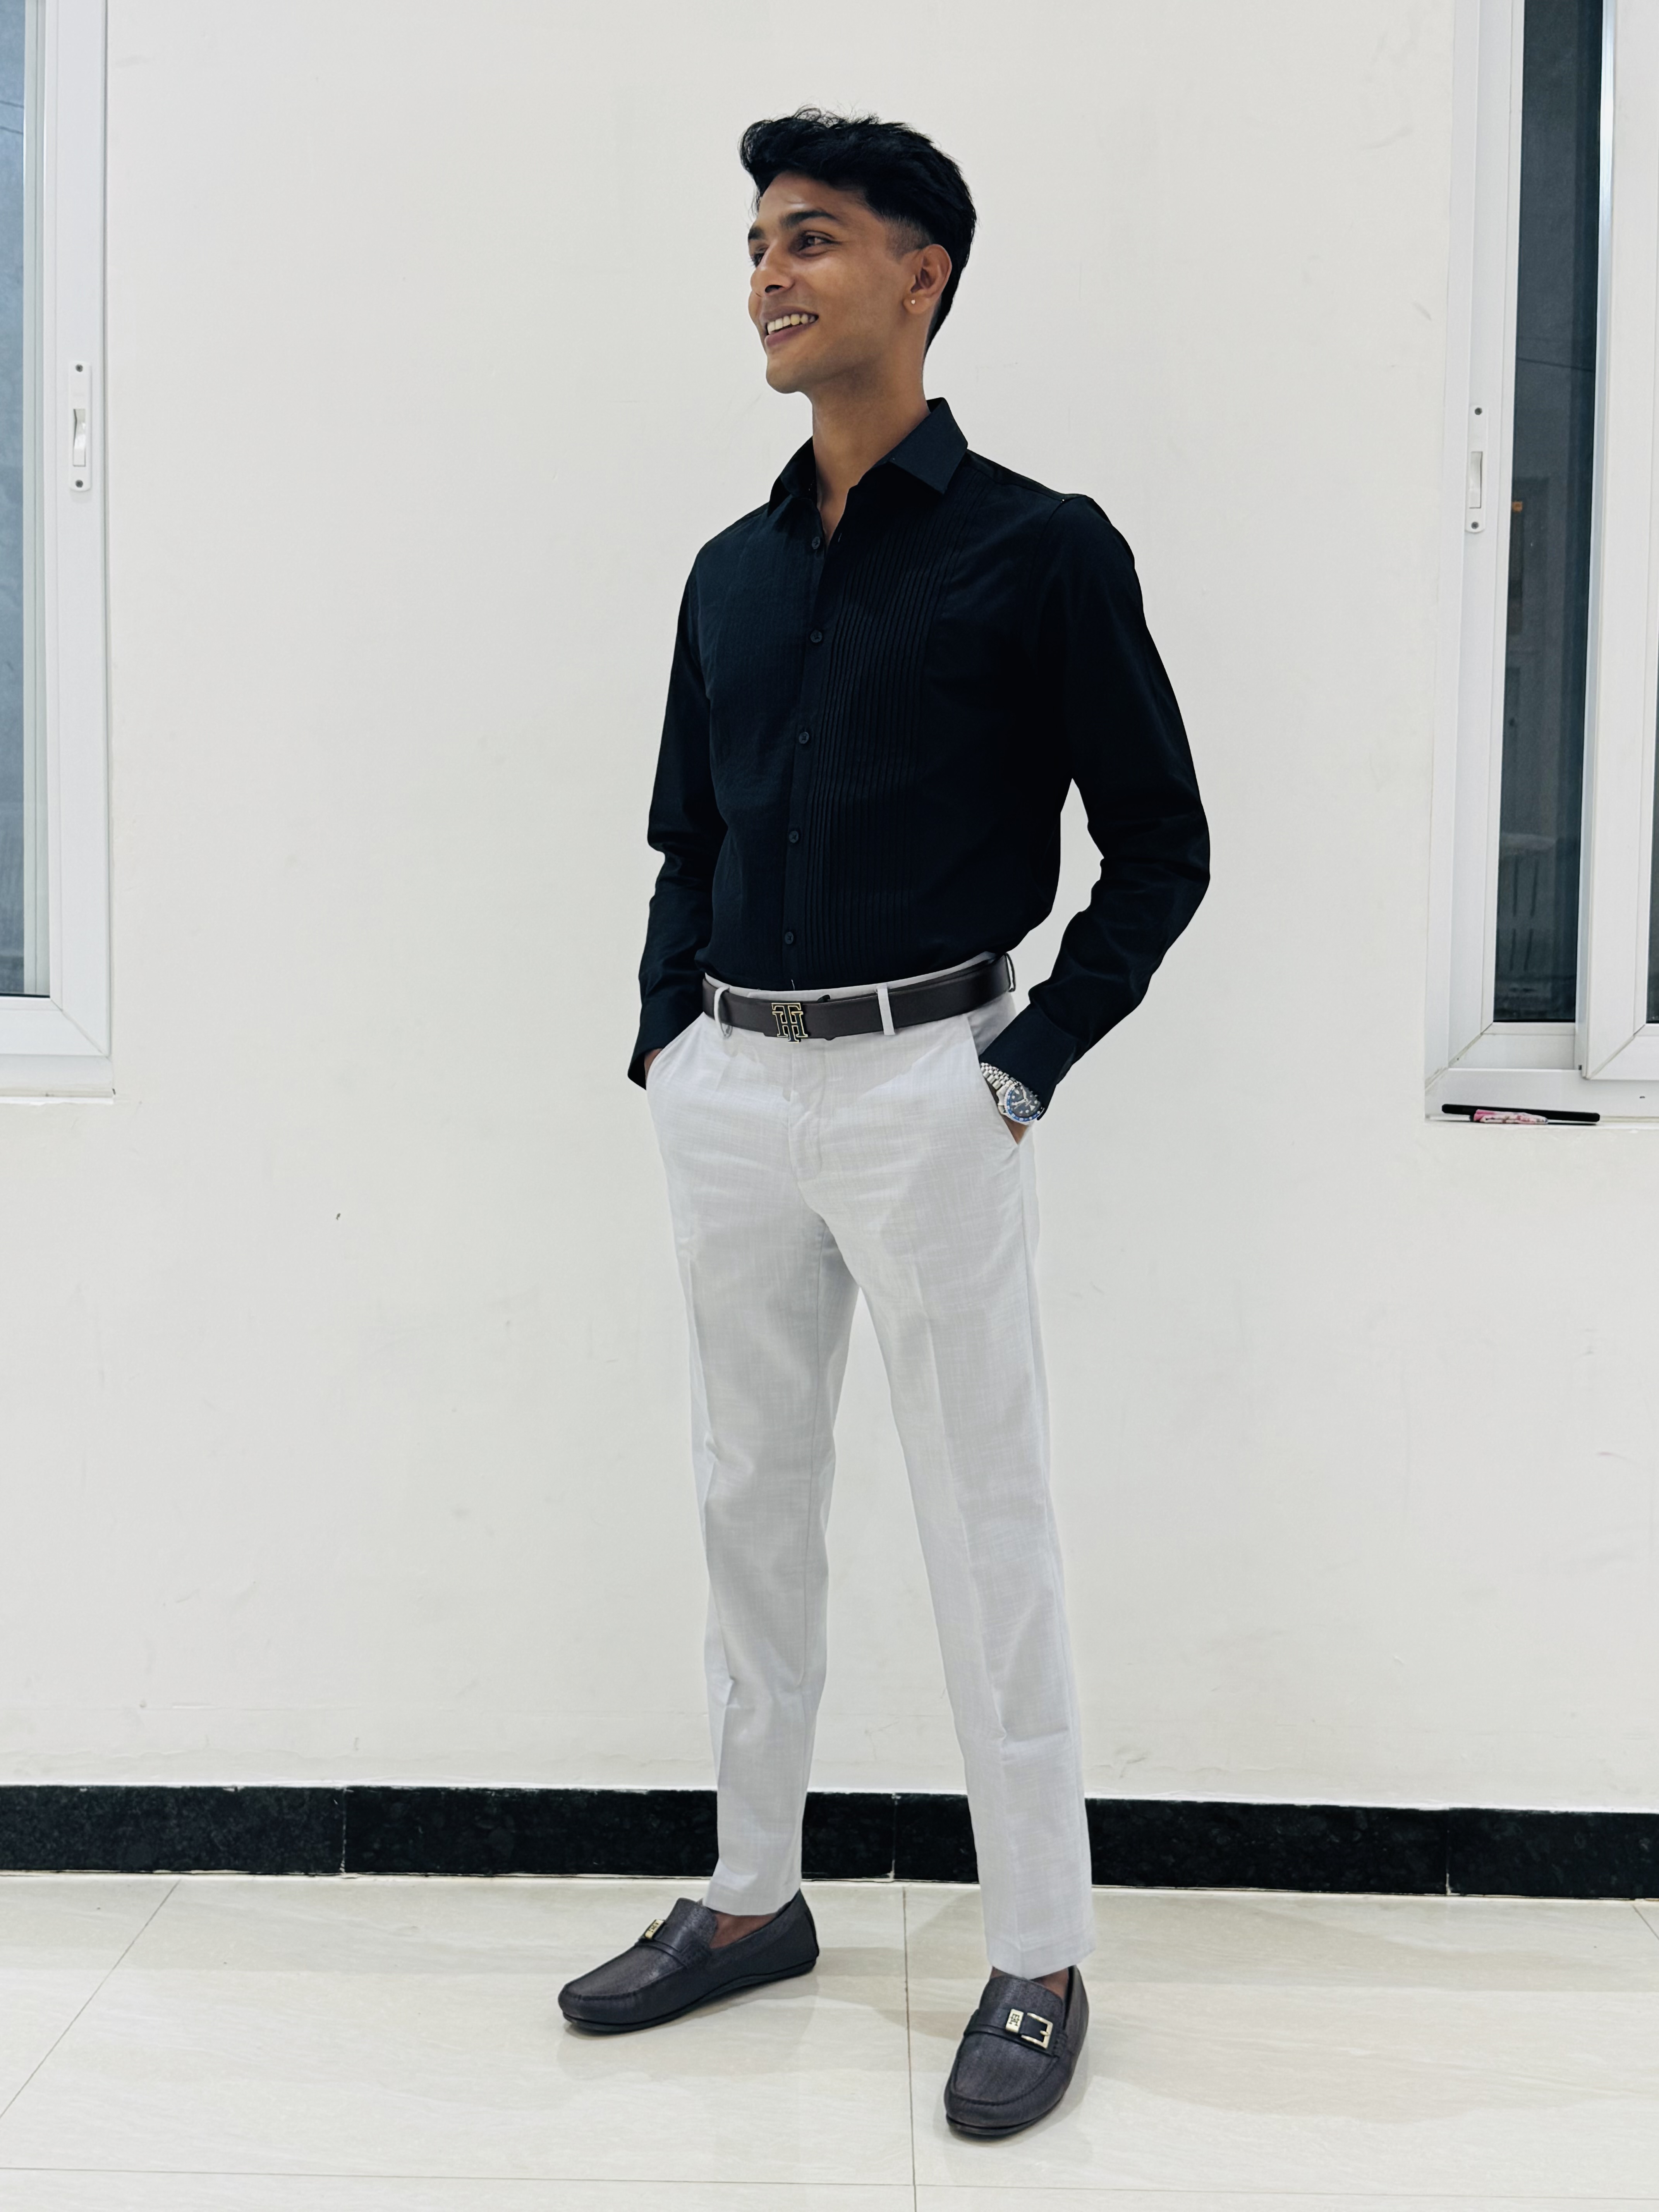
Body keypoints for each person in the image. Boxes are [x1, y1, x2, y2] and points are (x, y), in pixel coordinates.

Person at [559, 107, 1208, 2138]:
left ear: (922, 276)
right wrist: (670, 1041)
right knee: (747, 1491)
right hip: (734, 1086)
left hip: (936, 1083)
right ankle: (754, 1895)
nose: (770, 273)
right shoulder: (729, 575)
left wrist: (1025, 1064)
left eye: (813, 238)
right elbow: (687, 835)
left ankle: (1040, 1948)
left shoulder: (1043, 549)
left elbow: (1163, 845)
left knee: (980, 1511)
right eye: (758, 242)